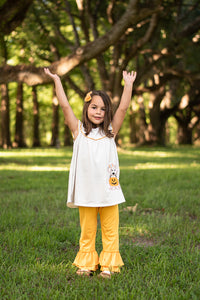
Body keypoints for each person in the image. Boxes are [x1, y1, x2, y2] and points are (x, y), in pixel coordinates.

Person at [44, 67, 137, 278]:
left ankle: (108, 265)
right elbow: (65, 105)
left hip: (108, 192)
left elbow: (123, 109)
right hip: (86, 193)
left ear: (107, 113)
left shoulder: (110, 133)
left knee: (110, 230)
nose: (98, 112)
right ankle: (86, 263)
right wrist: (57, 81)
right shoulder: (78, 131)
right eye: (94, 107)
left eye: (103, 109)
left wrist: (128, 86)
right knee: (87, 231)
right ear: (87, 108)